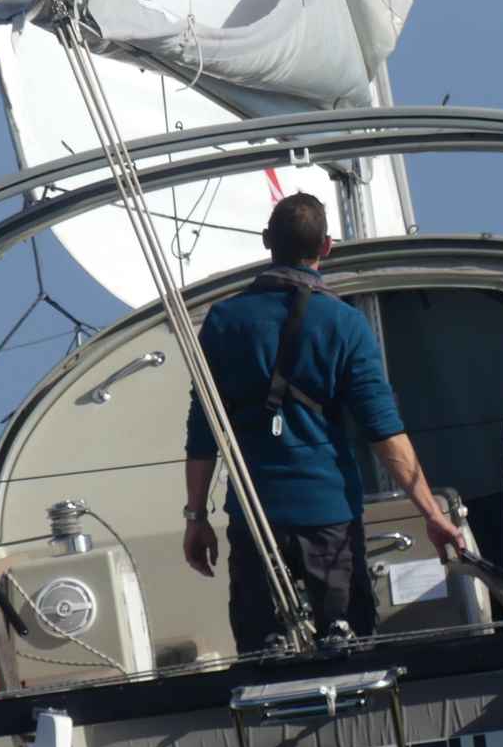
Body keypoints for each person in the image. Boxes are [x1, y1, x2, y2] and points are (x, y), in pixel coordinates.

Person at [182, 192, 463, 652]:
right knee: (349, 651)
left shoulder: (223, 322)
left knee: (264, 656)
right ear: (327, 247)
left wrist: (196, 517)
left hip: (255, 518)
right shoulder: (344, 323)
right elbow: (383, 430)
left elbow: (202, 430)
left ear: (266, 241)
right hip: (329, 518)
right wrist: (432, 514)